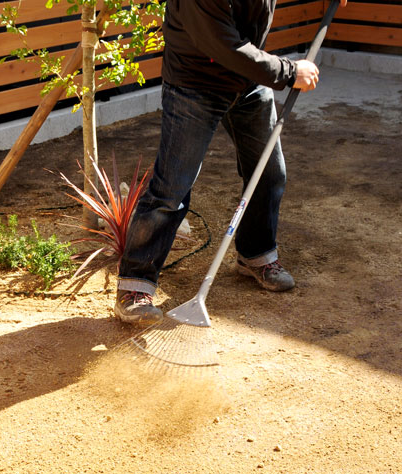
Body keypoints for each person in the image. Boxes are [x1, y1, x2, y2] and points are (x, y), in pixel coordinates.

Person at [115, 0, 347, 325]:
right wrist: (290, 72)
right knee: (172, 189)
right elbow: (227, 48)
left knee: (268, 173)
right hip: (196, 85)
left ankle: (256, 255)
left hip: (248, 83)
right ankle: (134, 286)